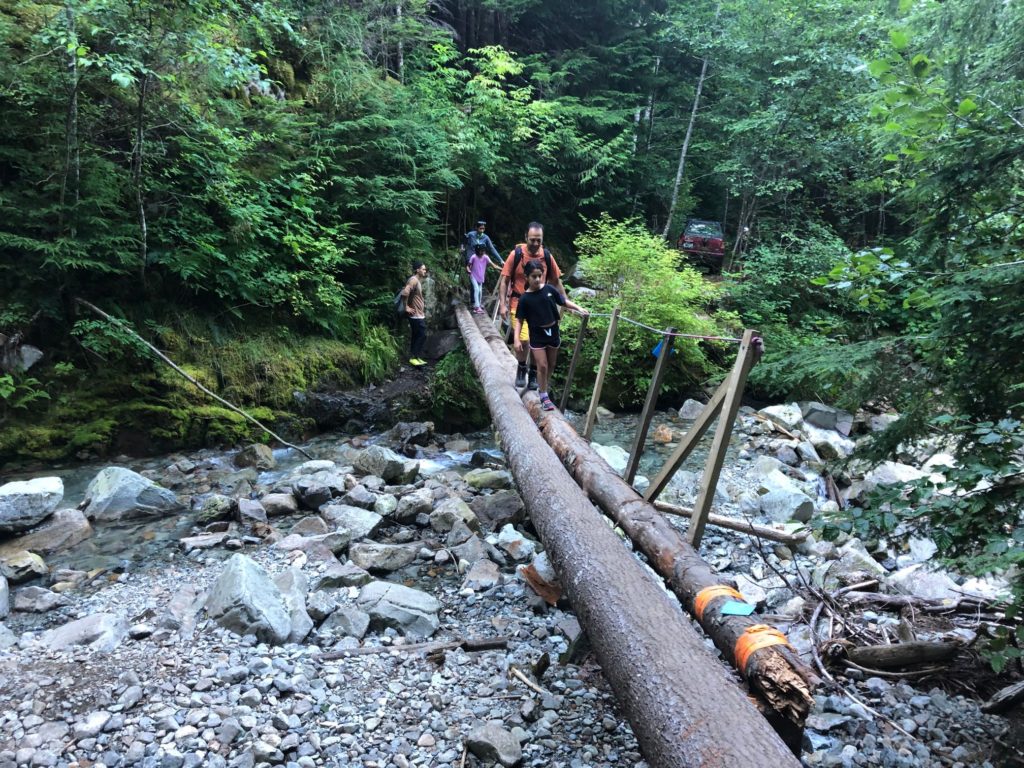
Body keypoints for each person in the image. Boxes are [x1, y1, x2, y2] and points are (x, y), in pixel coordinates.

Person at [498, 221, 566, 390]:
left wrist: (565, 302)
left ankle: (533, 372)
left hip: (541, 308)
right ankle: (522, 367)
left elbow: (556, 281)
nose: (535, 244)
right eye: (532, 240)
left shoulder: (547, 257)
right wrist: (502, 305)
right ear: (526, 238)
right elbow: (505, 280)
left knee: (538, 341)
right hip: (518, 303)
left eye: (539, 240)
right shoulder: (516, 254)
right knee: (524, 338)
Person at [512, 259, 588, 410]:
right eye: (534, 276)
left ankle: (543, 386)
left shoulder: (549, 290)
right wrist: (516, 339)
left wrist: (578, 308)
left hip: (553, 331)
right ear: (526, 277)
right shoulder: (525, 299)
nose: (537, 279)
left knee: (551, 364)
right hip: (537, 334)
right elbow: (519, 320)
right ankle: (544, 395)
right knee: (542, 364)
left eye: (540, 275)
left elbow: (563, 301)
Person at [400, 261, 429, 367]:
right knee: (422, 335)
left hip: (418, 313)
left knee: (416, 335)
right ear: (417, 270)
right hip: (415, 314)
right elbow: (405, 292)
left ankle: (415, 357)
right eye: (423, 269)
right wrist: (406, 306)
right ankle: (414, 357)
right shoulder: (413, 280)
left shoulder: (417, 280)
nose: (425, 270)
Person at [466, 242, 501, 314]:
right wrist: (468, 270)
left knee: (480, 291)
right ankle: (477, 307)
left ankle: (478, 304)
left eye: (484, 251)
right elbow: (468, 266)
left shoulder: (486, 257)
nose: (482, 252)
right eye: (481, 251)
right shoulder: (473, 257)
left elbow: (493, 265)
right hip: (473, 276)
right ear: (477, 250)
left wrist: (502, 269)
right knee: (476, 289)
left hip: (480, 277)